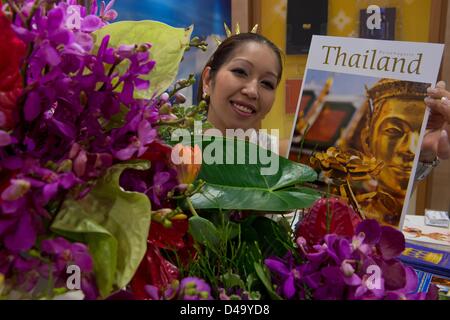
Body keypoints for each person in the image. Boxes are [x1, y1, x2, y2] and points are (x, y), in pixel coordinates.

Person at [197, 32, 283, 151]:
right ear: (208, 80)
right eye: (240, 72)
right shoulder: (170, 151)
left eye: (267, 83)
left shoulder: (284, 159)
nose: (252, 91)